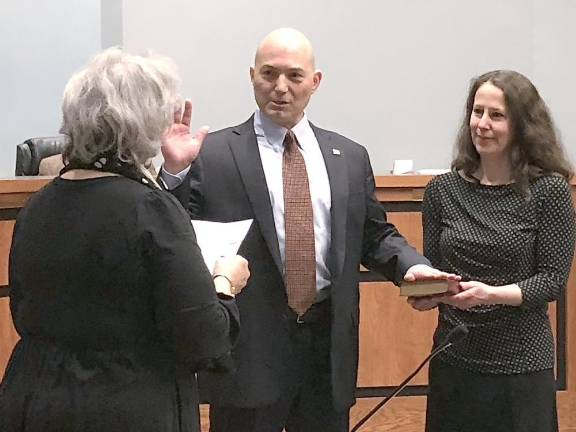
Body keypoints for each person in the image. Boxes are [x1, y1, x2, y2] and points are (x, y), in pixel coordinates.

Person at [160, 28, 458, 432]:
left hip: (326, 348)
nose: (280, 88)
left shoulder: (348, 156)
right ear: (252, 76)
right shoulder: (213, 154)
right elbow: (178, 236)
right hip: (248, 352)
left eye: (294, 76)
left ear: (315, 82)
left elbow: (374, 235)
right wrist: (174, 174)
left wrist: (412, 268)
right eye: (269, 74)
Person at [0, 48, 250, 432]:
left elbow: (23, 311)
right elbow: (203, 337)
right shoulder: (151, 211)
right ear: (144, 123)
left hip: (34, 398)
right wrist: (225, 283)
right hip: (126, 403)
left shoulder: (36, 207)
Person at [410, 70, 576, 432]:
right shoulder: (441, 191)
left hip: (520, 366)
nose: (482, 124)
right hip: (454, 359)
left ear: (523, 125)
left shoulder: (550, 192)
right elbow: (434, 270)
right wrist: (426, 293)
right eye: (477, 111)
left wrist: (492, 294)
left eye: (496, 115)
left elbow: (551, 281)